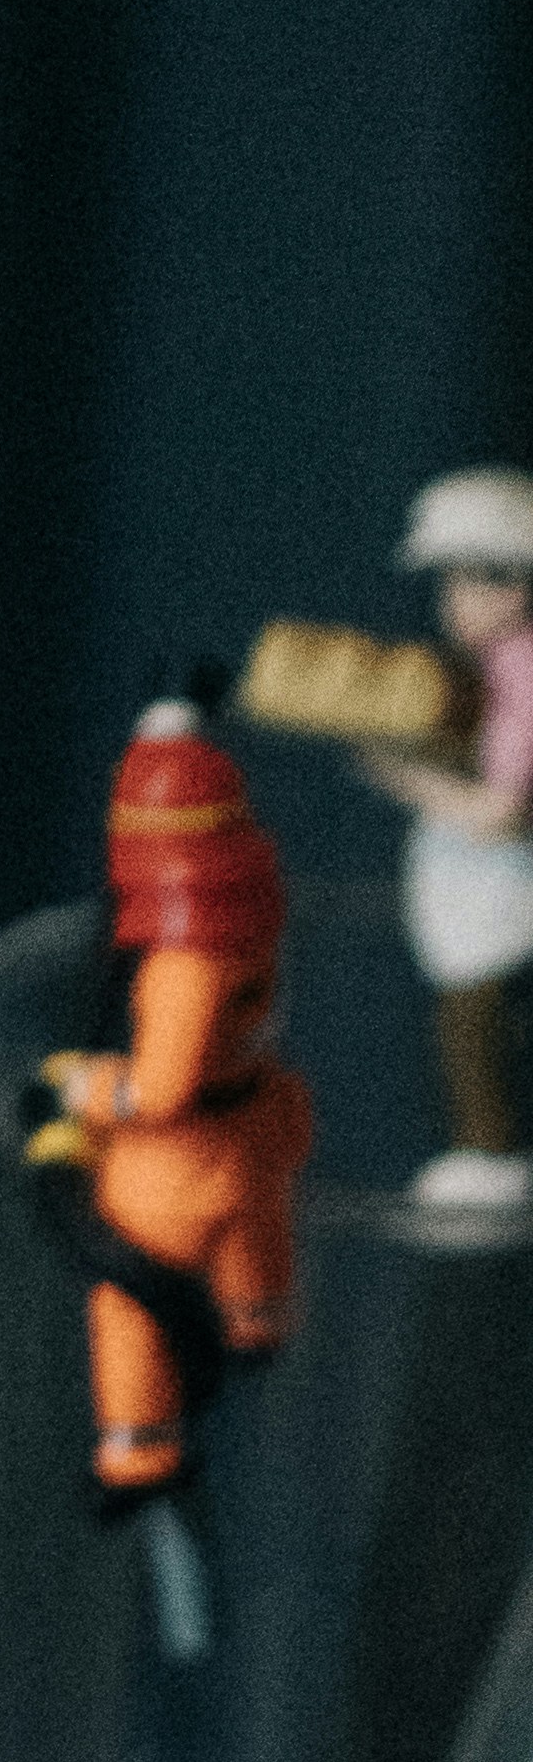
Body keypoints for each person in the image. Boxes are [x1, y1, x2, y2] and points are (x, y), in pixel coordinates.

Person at [30, 695, 311, 1510]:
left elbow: (159, 1091)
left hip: (179, 1164)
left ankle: (139, 1457)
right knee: (254, 1247)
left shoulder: (184, 963)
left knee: (128, 1309)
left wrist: (81, 1088)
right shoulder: (254, 926)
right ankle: (257, 1322)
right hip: (259, 1126)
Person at [358, 468, 533, 1215]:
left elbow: (504, 812)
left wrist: (410, 782)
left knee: (477, 1025)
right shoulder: (496, 667)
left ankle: (493, 1154)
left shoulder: (524, 672)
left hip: (506, 888)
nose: (451, 603)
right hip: (484, 888)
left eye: (468, 582)